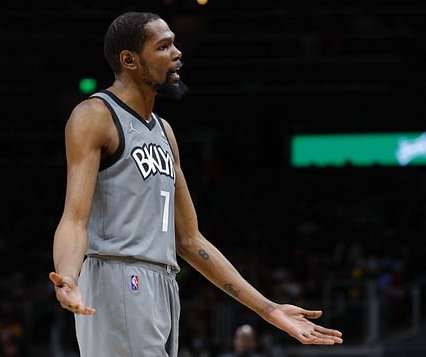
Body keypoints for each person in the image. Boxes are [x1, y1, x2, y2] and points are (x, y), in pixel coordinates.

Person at [49, 11, 343, 357]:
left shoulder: (164, 132)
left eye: (175, 43)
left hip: (163, 284)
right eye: (164, 46)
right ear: (129, 59)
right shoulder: (95, 116)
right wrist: (67, 275)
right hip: (118, 276)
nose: (177, 53)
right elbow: (74, 217)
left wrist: (269, 309)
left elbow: (190, 240)